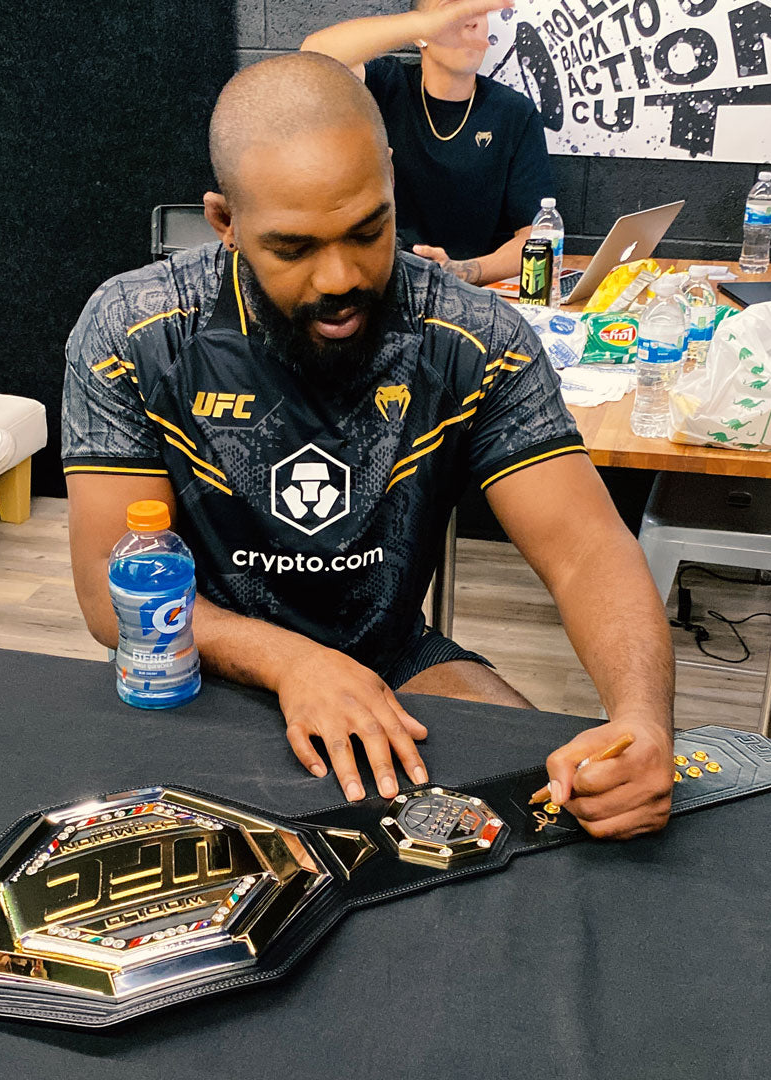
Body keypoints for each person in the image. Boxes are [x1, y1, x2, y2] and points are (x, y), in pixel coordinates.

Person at [62, 52, 673, 839]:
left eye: (368, 229)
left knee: (539, 822)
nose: (340, 277)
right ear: (227, 224)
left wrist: (642, 723)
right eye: (293, 248)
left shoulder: (473, 337)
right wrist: (291, 661)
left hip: (393, 657)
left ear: (390, 180)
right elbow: (106, 590)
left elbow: (588, 551)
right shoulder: (135, 332)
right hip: (198, 662)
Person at [300, 0, 547, 287]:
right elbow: (315, 56)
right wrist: (425, 25)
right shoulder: (387, 85)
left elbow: (537, 237)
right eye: (453, 9)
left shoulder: (514, 113)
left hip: (471, 295)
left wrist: (461, 271)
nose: (471, 20)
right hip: (383, 286)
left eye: (478, 11)